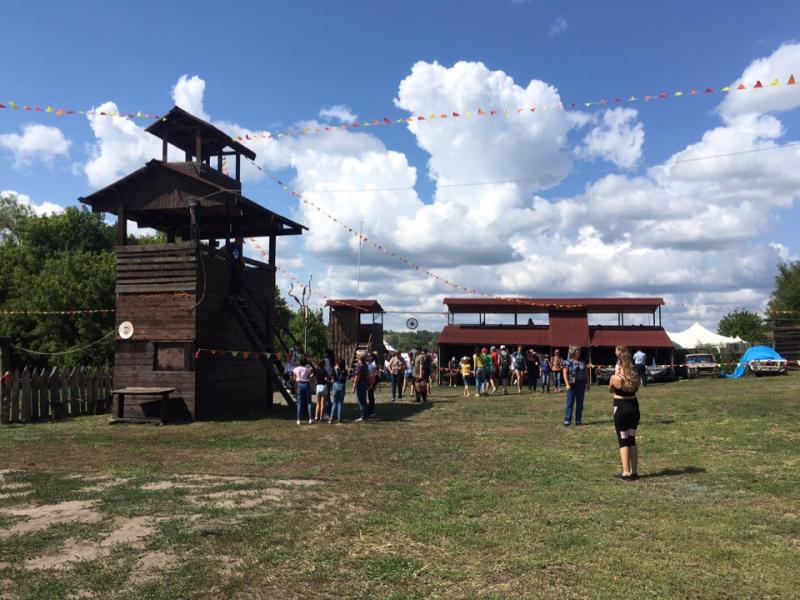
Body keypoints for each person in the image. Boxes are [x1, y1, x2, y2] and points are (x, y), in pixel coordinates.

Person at [609, 349, 641, 480]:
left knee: (623, 440)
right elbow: (636, 389)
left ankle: (626, 472)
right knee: (631, 439)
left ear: (620, 363)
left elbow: (610, 389)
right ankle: (634, 471)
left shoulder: (616, 378)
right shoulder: (635, 377)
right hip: (634, 407)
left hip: (621, 408)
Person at [563, 346, 590, 427]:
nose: (579, 352)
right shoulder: (567, 362)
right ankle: (567, 420)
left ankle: (578, 420)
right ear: (573, 352)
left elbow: (586, 373)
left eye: (579, 351)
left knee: (580, 403)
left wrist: (587, 383)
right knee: (570, 402)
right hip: (571, 383)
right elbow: (564, 373)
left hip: (581, 383)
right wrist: (567, 384)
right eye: (578, 351)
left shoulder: (582, 361)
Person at [292, 357, 315, 425]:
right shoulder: (308, 369)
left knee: (299, 402)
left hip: (299, 384)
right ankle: (310, 418)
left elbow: (294, 378)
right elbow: (309, 377)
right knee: (309, 402)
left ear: (300, 362)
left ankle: (298, 419)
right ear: (306, 363)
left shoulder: (296, 369)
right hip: (307, 384)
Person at [352, 352, 370, 421]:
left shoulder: (359, 366)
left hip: (360, 383)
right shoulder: (366, 365)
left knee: (361, 401)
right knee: (364, 400)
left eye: (358, 355)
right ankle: (366, 415)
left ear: (360, 357)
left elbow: (357, 376)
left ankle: (363, 416)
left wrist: (354, 386)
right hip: (364, 383)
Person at [329, 358, 348, 423]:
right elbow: (345, 379)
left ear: (338, 364)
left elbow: (332, 378)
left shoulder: (334, 369)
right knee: (340, 403)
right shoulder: (345, 371)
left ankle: (331, 418)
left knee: (334, 403)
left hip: (335, 385)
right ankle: (339, 418)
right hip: (342, 386)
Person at [367, 351, 380, 417]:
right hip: (369, 381)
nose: (367, 356)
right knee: (370, 395)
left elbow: (375, 375)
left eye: (369, 355)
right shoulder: (369, 363)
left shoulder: (374, 364)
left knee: (371, 396)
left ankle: (371, 410)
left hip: (372, 381)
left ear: (371, 357)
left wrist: (372, 384)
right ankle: (369, 409)